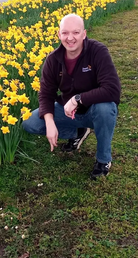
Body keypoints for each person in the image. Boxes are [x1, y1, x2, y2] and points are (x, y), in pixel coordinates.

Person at [22, 14, 121, 180]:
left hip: (94, 110)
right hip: (68, 113)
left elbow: (112, 90)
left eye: (75, 32)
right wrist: (50, 122)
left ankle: (103, 160)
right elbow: (46, 94)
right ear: (59, 35)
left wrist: (78, 99)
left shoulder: (97, 52)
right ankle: (77, 132)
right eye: (65, 33)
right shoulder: (53, 59)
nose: (70, 38)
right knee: (30, 122)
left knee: (105, 108)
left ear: (84, 34)